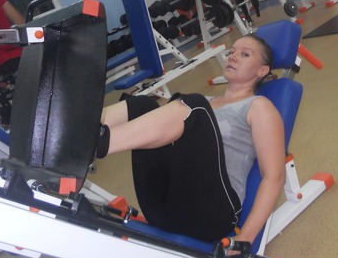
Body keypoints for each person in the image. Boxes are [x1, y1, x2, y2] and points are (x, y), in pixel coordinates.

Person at [96, 34, 285, 246]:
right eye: (232, 52)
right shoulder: (205, 103)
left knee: (195, 105)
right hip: (165, 208)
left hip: (212, 213)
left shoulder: (258, 106)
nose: (232, 57)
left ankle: (100, 142)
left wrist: (245, 238)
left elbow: (274, 176)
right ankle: (85, 133)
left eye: (244, 54)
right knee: (143, 105)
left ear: (262, 70)